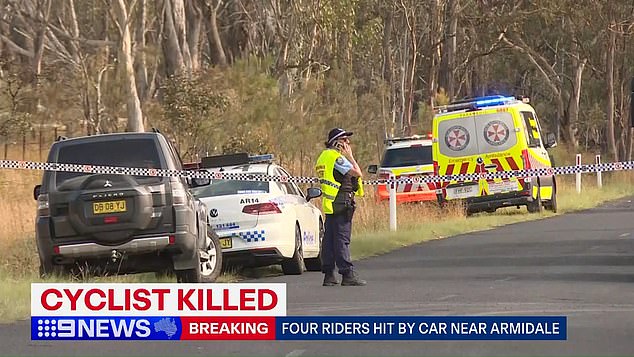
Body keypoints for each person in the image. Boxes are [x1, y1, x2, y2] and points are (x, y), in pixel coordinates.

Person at [315, 128, 367, 286]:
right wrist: (350, 156)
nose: (348, 143)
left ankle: (329, 275)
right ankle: (347, 274)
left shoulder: (323, 157)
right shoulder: (337, 159)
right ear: (337, 143)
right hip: (341, 202)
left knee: (329, 240)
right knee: (341, 240)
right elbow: (357, 173)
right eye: (344, 140)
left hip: (331, 203)